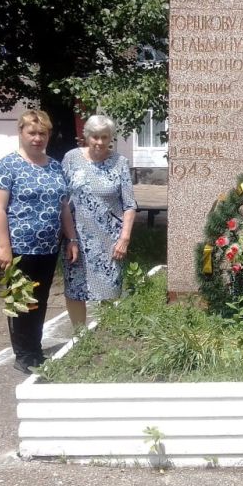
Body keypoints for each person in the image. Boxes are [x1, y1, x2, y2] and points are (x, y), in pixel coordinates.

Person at [0, 110, 78, 374]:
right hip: (18, 248)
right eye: (32, 132)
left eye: (42, 133)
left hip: (48, 247)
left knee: (38, 299)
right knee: (20, 300)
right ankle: (24, 354)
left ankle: (35, 349)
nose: (37, 138)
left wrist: (71, 238)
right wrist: (4, 246)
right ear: (21, 133)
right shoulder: (8, 165)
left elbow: (63, 206)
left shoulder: (54, 166)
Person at [62, 114, 137, 329]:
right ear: (87, 136)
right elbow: (63, 202)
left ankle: (105, 337)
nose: (100, 142)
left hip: (110, 241)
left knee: (109, 289)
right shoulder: (71, 159)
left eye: (105, 137)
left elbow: (129, 205)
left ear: (111, 138)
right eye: (95, 137)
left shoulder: (120, 162)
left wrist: (124, 238)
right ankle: (80, 337)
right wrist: (70, 238)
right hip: (76, 239)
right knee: (75, 289)